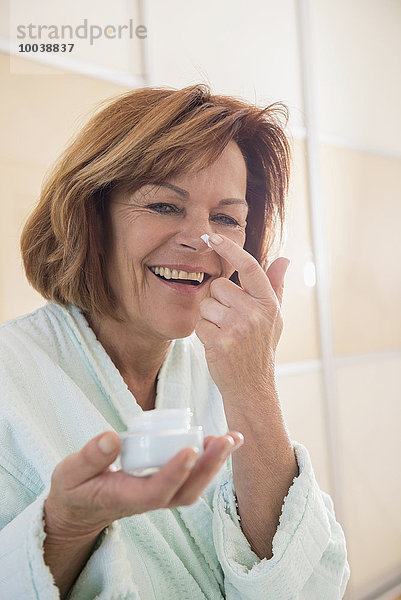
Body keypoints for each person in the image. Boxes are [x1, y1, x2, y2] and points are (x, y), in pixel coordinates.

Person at [0, 84, 350, 599]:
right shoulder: (12, 375)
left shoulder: (218, 366)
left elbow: (311, 586)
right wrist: (68, 526)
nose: (200, 240)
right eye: (165, 205)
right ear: (92, 216)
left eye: (226, 218)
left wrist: (254, 385)